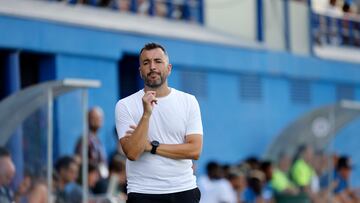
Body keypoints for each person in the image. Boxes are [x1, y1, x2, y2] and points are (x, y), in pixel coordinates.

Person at [115, 42, 203, 203]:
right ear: (140, 71)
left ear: (168, 68)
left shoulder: (189, 101)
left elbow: (195, 149)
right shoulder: (125, 105)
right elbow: (133, 152)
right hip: (142, 192)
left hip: (183, 190)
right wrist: (146, 114)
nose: (152, 67)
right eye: (146, 63)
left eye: (158, 61)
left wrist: (151, 146)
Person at [75, 106, 108, 178]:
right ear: (88, 120)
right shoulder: (85, 139)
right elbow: (78, 160)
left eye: (100, 118)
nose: (98, 120)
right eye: (93, 118)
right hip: (90, 179)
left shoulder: (97, 140)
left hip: (100, 178)